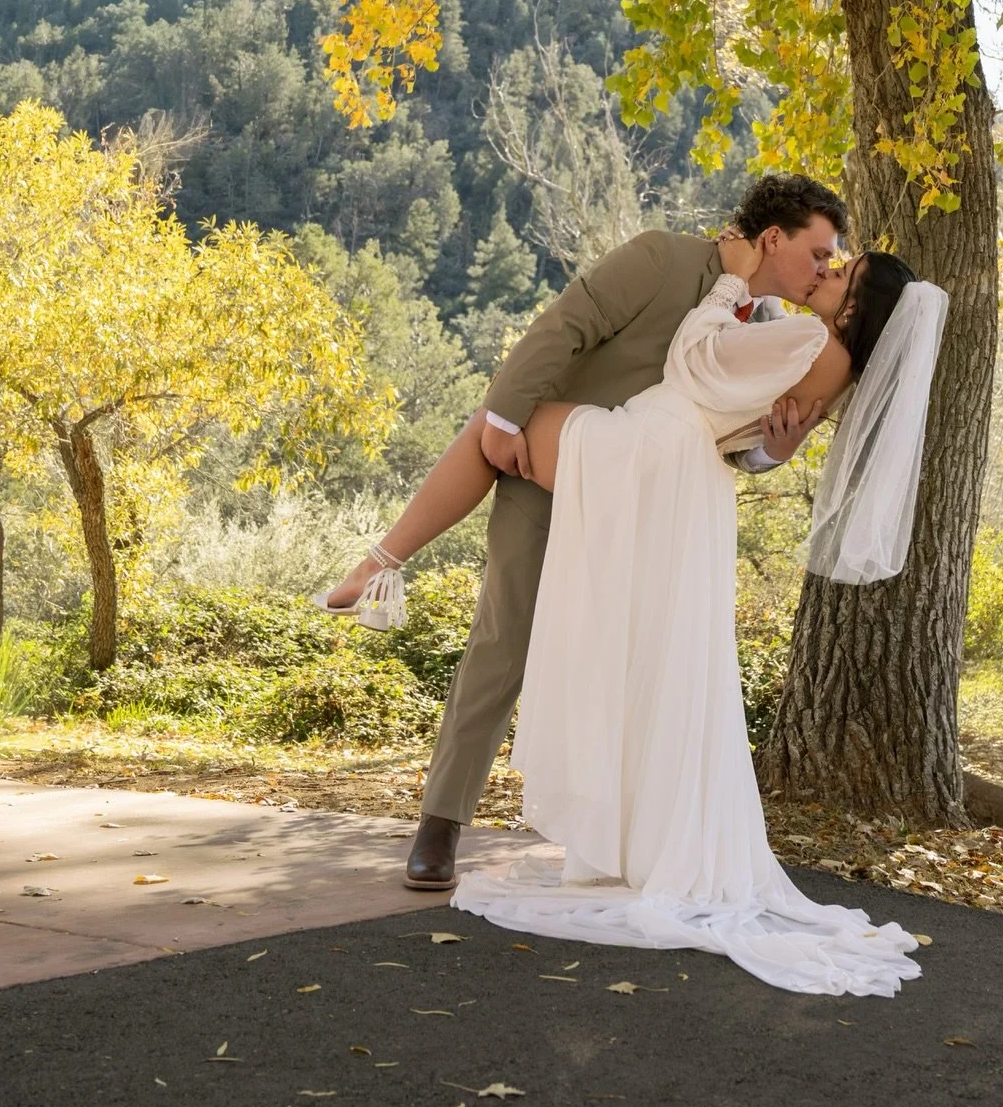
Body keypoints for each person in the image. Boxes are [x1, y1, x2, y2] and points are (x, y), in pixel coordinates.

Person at [319, 174, 851, 891]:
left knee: (637, 663)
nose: (826, 270)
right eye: (819, 253)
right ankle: (440, 827)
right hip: (555, 467)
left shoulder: (763, 329)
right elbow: (565, 324)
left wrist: (772, 453)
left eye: (833, 264)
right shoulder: (663, 256)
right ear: (773, 238)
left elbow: (723, 441)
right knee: (506, 639)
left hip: (646, 513)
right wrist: (508, 418)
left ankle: (617, 838)